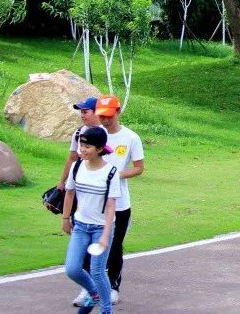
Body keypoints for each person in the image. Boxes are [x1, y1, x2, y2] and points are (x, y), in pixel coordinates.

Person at [78, 95, 143, 307]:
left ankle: (113, 286)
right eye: (102, 116)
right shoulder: (95, 135)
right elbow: (83, 161)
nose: (105, 120)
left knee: (114, 245)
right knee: (88, 244)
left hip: (120, 203)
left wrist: (115, 175)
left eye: (109, 115)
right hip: (93, 201)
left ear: (118, 112)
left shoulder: (131, 138)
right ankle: (88, 288)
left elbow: (139, 168)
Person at [62, 126, 119, 314]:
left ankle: (106, 309)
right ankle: (94, 293)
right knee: (72, 268)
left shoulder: (111, 172)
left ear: (100, 149)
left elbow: (111, 206)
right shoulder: (77, 167)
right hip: (80, 226)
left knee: (97, 270)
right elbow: (70, 193)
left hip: (101, 228)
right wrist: (65, 218)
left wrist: (105, 235)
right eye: (81, 145)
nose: (82, 149)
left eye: (87, 146)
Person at [58, 97, 100, 194]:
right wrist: (62, 182)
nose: (82, 115)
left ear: (97, 112)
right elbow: (72, 158)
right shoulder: (78, 132)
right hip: (79, 182)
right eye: (81, 112)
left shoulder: (106, 133)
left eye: (85, 112)